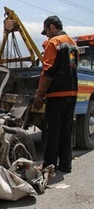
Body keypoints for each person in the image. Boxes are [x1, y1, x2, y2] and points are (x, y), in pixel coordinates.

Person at [33, 15, 79, 173]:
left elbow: (48, 70)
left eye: (46, 31)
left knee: (52, 131)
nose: (46, 35)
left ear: (52, 27)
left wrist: (39, 94)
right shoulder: (73, 44)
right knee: (66, 131)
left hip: (57, 94)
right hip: (72, 93)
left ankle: (48, 166)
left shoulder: (53, 43)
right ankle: (66, 165)